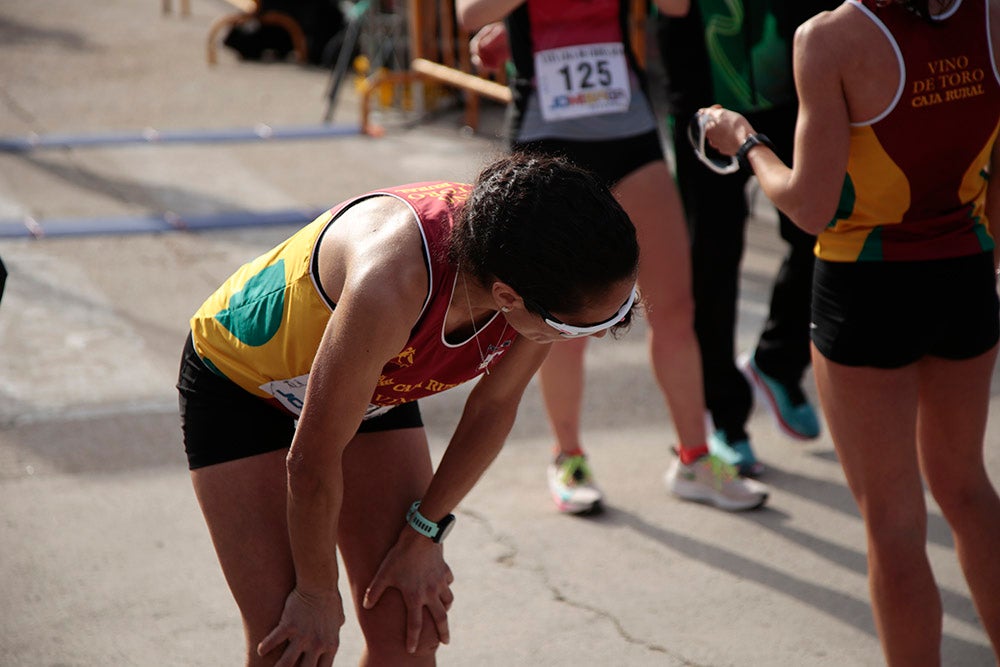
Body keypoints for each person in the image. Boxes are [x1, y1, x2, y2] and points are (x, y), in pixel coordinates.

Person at [177, 153, 643, 666]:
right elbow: (310, 462)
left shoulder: (534, 262)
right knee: (292, 649)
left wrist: (426, 532)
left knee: (408, 635)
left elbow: (493, 407)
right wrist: (316, 592)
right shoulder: (391, 283)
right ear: (508, 296)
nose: (600, 333)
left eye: (623, 308)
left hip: (372, 388)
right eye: (580, 327)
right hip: (242, 389)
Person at [700, 0, 1000, 663]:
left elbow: (808, 204)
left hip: (866, 286)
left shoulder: (830, 39)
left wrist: (746, 140)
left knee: (893, 526)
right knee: (967, 487)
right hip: (966, 272)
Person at [457, 0, 769, 515]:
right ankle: (568, 456)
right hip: (546, 136)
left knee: (674, 307)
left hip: (629, 135)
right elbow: (470, 13)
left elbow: (676, 5)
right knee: (559, 316)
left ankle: (694, 457)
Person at [657, 1, 837, 476]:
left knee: (820, 231)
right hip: (706, 98)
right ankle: (726, 419)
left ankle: (777, 361)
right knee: (712, 260)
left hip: (795, 87)